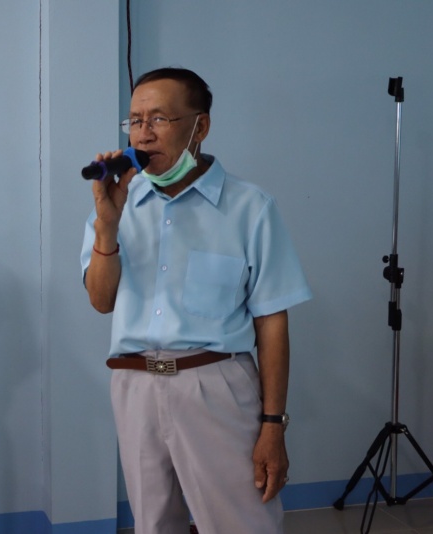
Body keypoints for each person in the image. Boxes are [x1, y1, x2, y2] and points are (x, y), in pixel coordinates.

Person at [80, 67, 312, 534]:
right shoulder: (117, 206)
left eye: (159, 119)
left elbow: (272, 322)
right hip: (134, 385)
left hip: (214, 384)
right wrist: (107, 226)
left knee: (241, 524)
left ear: (200, 127)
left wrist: (273, 423)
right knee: (153, 523)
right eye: (135, 121)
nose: (143, 134)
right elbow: (101, 301)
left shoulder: (250, 208)